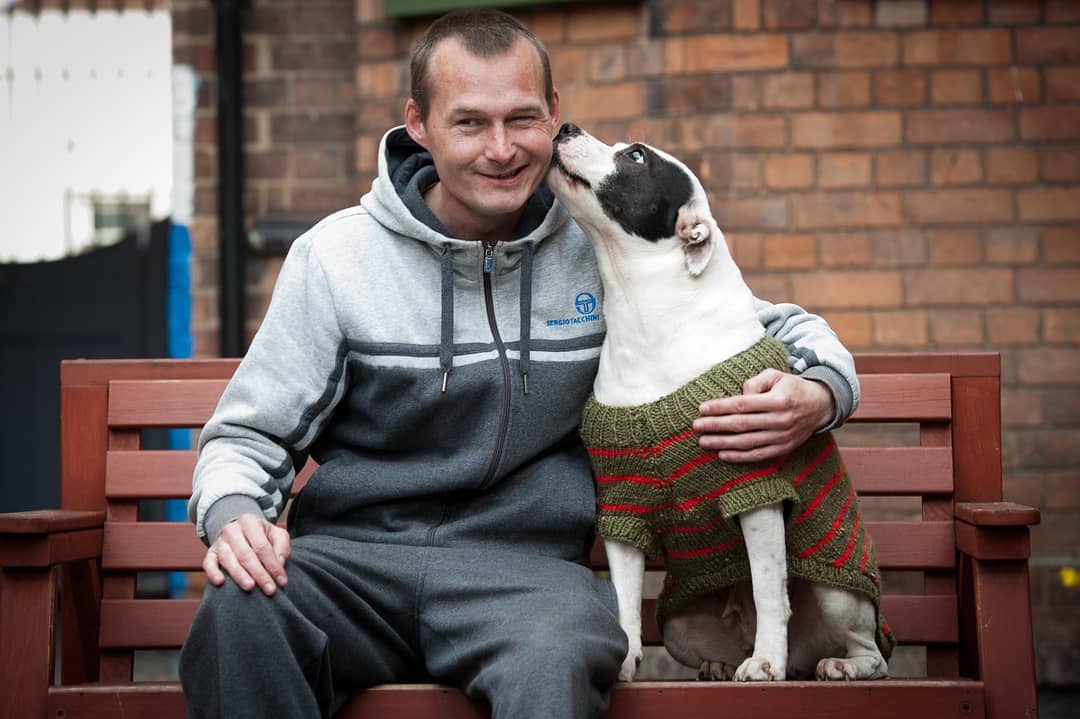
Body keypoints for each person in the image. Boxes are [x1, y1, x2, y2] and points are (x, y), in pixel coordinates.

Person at [178, 8, 859, 719]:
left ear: (555, 113)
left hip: (527, 578)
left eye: (522, 119)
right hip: (354, 567)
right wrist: (234, 516)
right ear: (419, 123)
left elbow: (767, 323)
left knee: (556, 654)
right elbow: (247, 437)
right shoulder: (336, 259)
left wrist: (817, 391)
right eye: (470, 122)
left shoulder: (598, 240)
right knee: (240, 610)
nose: (501, 149)